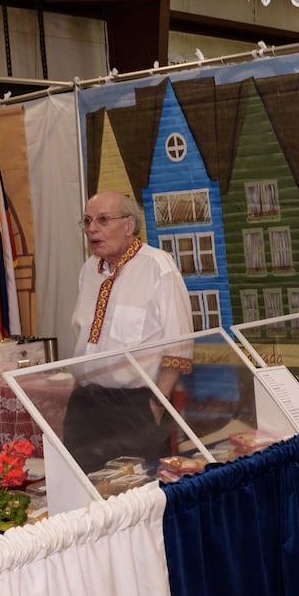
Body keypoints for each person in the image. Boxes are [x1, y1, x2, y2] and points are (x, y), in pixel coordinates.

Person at [65, 191, 196, 472]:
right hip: (86, 405)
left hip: (136, 405)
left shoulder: (158, 267)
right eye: (87, 221)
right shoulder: (88, 270)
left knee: (137, 493)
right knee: (82, 487)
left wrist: (156, 406)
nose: (92, 229)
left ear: (129, 225)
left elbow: (179, 343)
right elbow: (85, 339)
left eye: (102, 220)